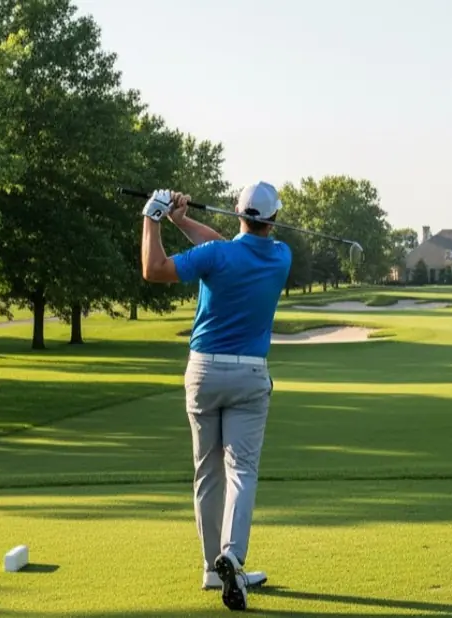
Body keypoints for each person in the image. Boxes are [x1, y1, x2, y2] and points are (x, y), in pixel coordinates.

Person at [140, 182, 292, 611]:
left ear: (237, 211)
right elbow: (229, 248)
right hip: (249, 374)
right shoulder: (281, 257)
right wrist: (182, 220)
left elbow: (154, 269)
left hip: (204, 371)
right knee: (241, 470)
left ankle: (213, 567)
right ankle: (232, 557)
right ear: (273, 219)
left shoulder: (217, 257)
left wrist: (152, 219)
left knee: (207, 471)